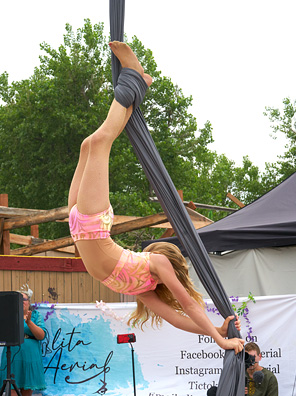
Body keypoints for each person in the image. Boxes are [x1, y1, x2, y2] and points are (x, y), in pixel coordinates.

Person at [68, 41, 244, 355]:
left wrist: (217, 331)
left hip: (78, 225)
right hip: (93, 228)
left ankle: (138, 87)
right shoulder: (157, 264)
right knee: (100, 142)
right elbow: (188, 304)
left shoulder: (147, 290)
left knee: (87, 144)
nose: (149, 249)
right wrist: (220, 340)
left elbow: (179, 317)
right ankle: (132, 76)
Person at [0, 286, 46, 396]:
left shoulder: (36, 315)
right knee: (10, 389)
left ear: (29, 302)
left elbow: (41, 336)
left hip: (30, 357)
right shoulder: (8, 316)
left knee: (27, 389)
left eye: (23, 299)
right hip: (12, 356)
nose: (21, 302)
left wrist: (29, 322)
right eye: (18, 299)